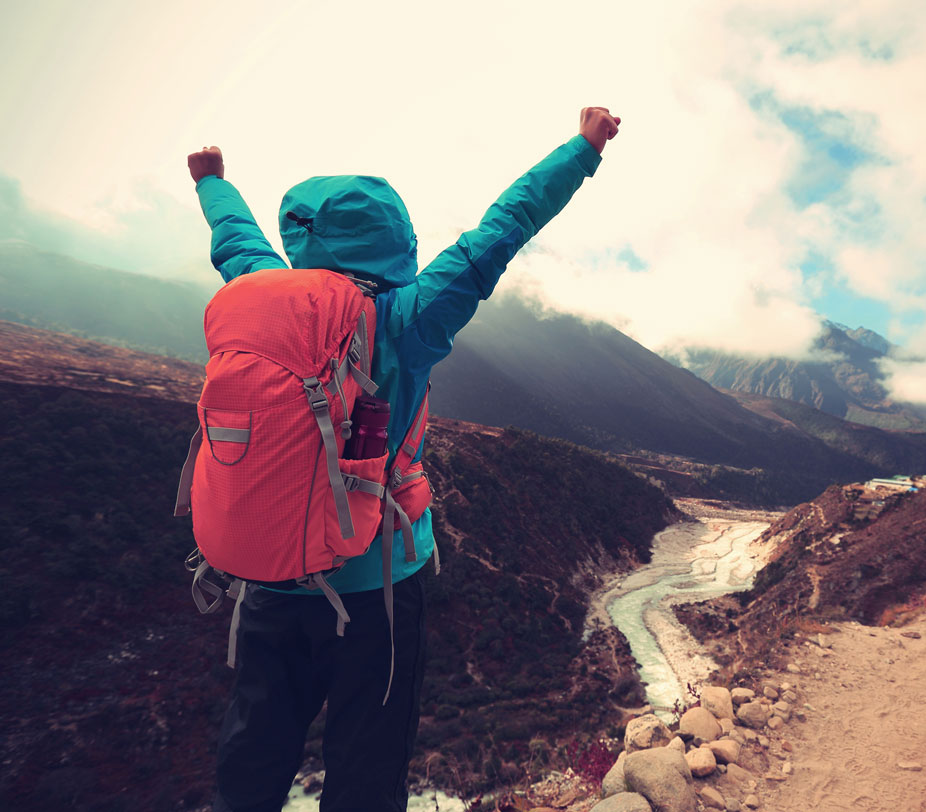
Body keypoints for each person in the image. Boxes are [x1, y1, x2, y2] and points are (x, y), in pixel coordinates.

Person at [187, 106, 621, 812]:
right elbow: (501, 229)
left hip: (271, 574)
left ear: (304, 239)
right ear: (396, 239)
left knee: (256, 739)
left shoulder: (255, 297)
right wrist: (583, 146)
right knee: (369, 753)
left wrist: (212, 184)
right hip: (379, 583)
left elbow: (237, 242)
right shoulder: (411, 317)